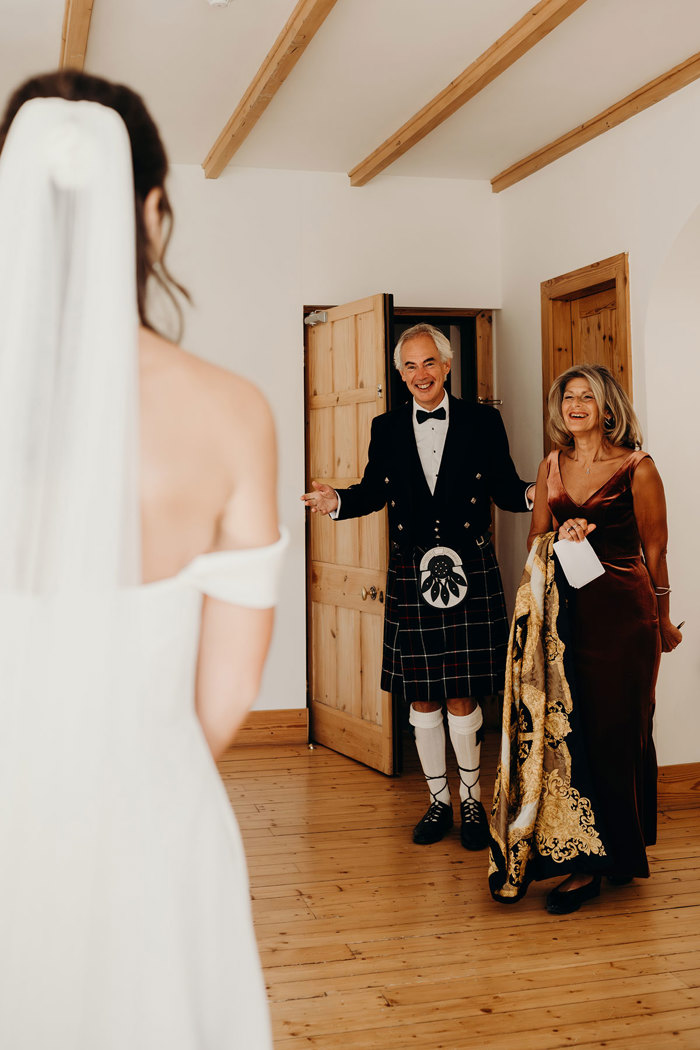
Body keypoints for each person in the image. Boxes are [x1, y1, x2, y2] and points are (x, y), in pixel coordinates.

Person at [0, 71, 285, 1048]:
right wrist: (120, 777)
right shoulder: (232, 410)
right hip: (150, 820)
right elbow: (229, 687)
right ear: (153, 214)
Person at [302, 323, 533, 849]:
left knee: (460, 693)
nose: (419, 374)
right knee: (423, 698)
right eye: (409, 365)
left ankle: (472, 802)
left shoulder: (482, 421)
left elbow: (503, 488)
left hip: (469, 569)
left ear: (447, 367)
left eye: (429, 363)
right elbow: (370, 491)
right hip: (413, 569)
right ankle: (438, 802)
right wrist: (336, 501)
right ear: (399, 372)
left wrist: (542, 493)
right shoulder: (385, 428)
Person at [522, 364, 681, 914]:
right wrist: (558, 533)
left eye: (587, 396)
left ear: (607, 406)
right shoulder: (551, 465)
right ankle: (587, 856)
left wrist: (662, 621)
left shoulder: (638, 467)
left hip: (624, 618)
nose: (577, 405)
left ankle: (608, 860)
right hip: (568, 616)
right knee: (575, 735)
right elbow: (534, 536)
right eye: (569, 397)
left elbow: (656, 553)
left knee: (620, 731)